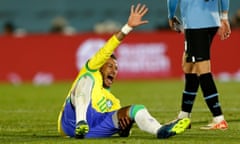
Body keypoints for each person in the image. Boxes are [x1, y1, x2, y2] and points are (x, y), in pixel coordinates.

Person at [57, 3, 190, 139]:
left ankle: (160, 130)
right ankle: (81, 122)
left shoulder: (114, 101)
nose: (114, 71)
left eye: (116, 68)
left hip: (94, 130)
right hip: (70, 123)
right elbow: (107, 49)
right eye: (110, 66)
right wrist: (128, 28)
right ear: (101, 66)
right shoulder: (91, 71)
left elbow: (119, 126)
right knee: (85, 80)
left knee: (135, 109)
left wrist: (125, 130)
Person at [167, 0, 231, 130]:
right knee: (188, 66)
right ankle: (184, 116)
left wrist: (171, 15)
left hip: (195, 22)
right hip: (212, 21)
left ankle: (219, 118)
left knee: (203, 69)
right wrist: (224, 17)